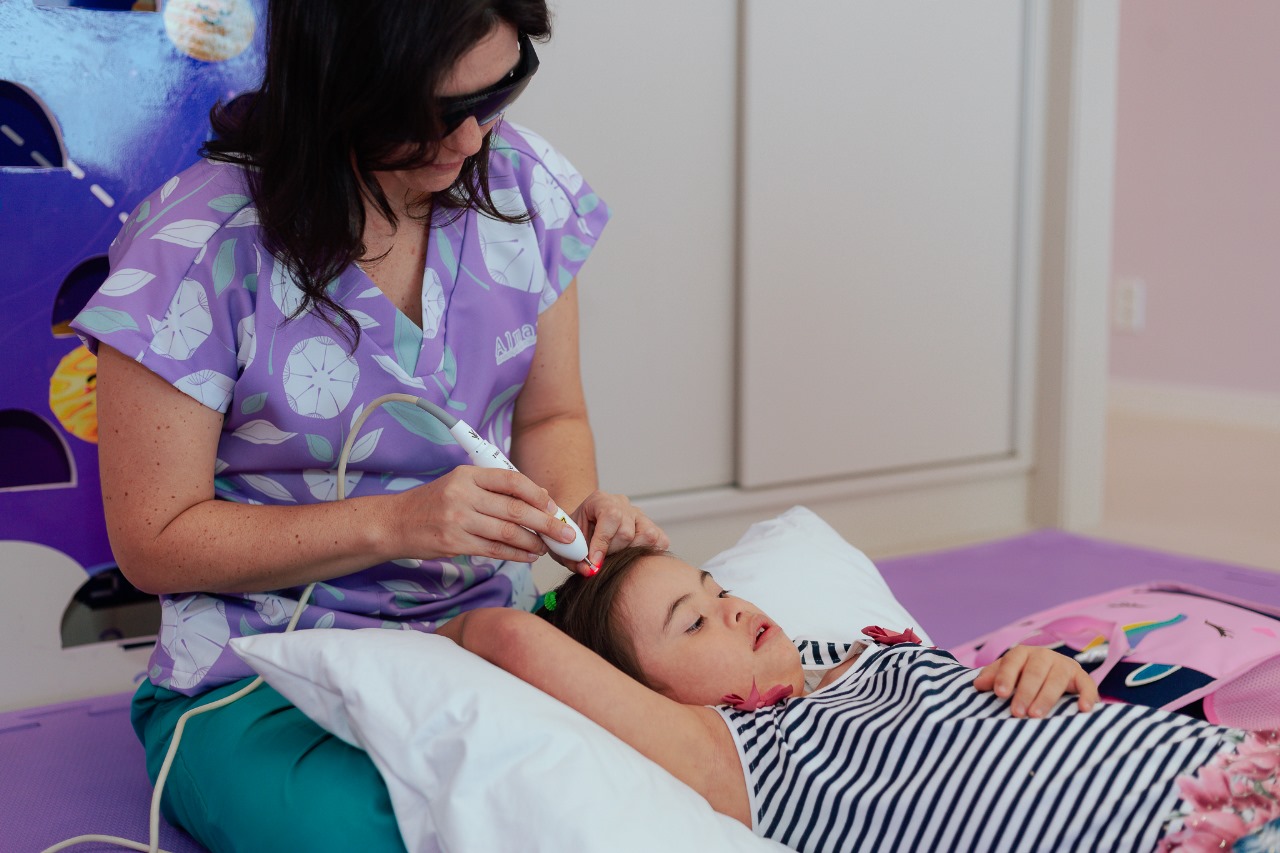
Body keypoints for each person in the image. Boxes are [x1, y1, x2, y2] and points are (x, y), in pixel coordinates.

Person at [70, 1, 666, 850]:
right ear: (341, 88)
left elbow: (553, 414)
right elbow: (154, 539)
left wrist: (575, 516)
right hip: (258, 675)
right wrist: (397, 522)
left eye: (498, 93)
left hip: (488, 639)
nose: (472, 141)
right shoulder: (193, 249)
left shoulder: (521, 188)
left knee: (617, 797)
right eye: (437, 114)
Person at [438, 547, 1280, 853]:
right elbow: (504, 636)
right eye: (692, 622)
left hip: (1233, 763)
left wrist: (1036, 668)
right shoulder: (742, 753)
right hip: (1181, 832)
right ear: (646, 698)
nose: (731, 607)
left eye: (716, 587)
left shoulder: (860, 652)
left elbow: (979, 712)